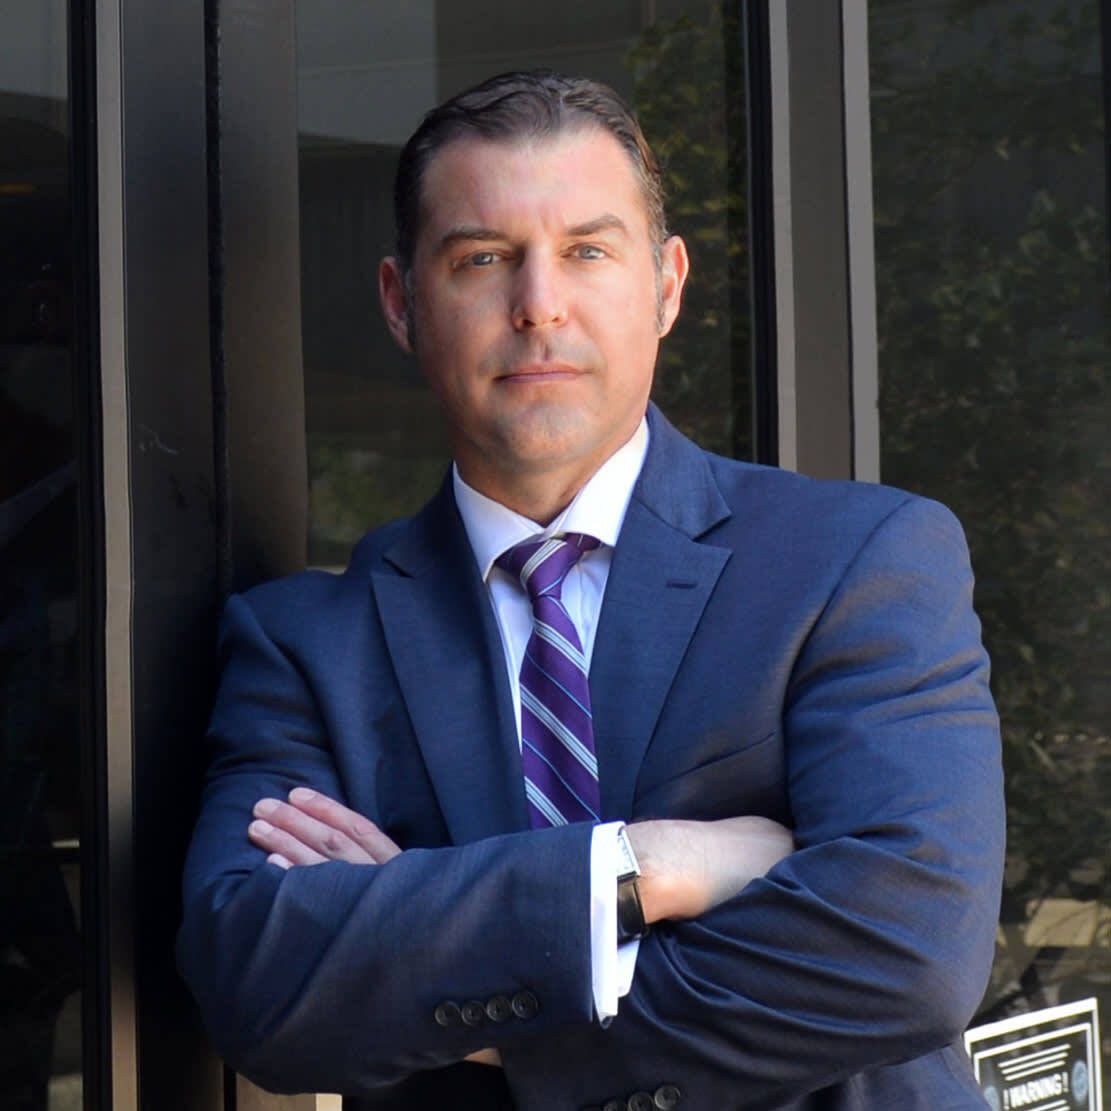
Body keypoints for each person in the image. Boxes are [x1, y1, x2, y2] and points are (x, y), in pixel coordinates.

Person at [178, 71, 1005, 1110]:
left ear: (664, 286)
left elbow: (907, 948)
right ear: (401, 303)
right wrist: (642, 867)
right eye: (482, 258)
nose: (537, 304)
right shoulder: (303, 643)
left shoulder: (860, 558)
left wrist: (448, 968)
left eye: (585, 250)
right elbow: (262, 983)